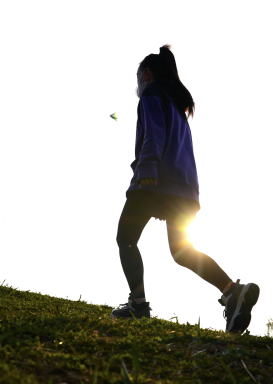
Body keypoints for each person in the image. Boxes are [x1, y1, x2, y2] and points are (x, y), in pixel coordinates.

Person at [111, 45, 260, 334]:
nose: (137, 84)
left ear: (147, 74)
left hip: (155, 180)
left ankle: (138, 306)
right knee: (182, 252)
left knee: (126, 238)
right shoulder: (178, 108)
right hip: (185, 189)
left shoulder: (152, 95)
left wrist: (147, 172)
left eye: (138, 77)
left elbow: (154, 134)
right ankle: (232, 291)